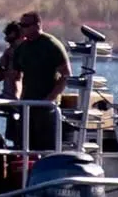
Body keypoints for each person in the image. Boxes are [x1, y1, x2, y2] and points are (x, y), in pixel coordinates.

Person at [9, 10, 72, 154]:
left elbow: (66, 75)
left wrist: (50, 99)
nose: (22, 28)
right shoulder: (22, 48)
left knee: (47, 148)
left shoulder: (51, 45)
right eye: (21, 25)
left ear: (37, 25)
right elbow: (16, 76)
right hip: (27, 105)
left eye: (26, 25)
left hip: (47, 108)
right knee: (23, 146)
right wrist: (17, 98)